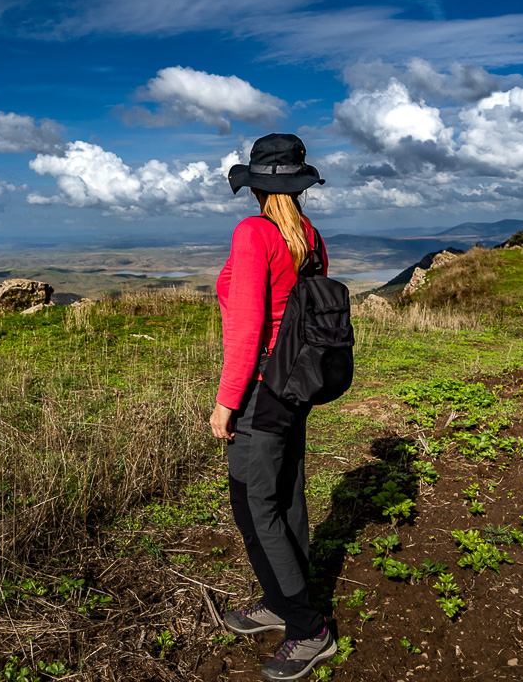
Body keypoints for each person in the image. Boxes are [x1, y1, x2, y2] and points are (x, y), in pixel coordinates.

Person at [210, 133, 337, 682]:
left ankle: (309, 630)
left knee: (252, 505)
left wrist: (225, 402)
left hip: (263, 389)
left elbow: (246, 328)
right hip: (298, 384)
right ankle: (280, 599)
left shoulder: (252, 233)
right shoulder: (310, 237)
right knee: (286, 494)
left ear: (258, 184)